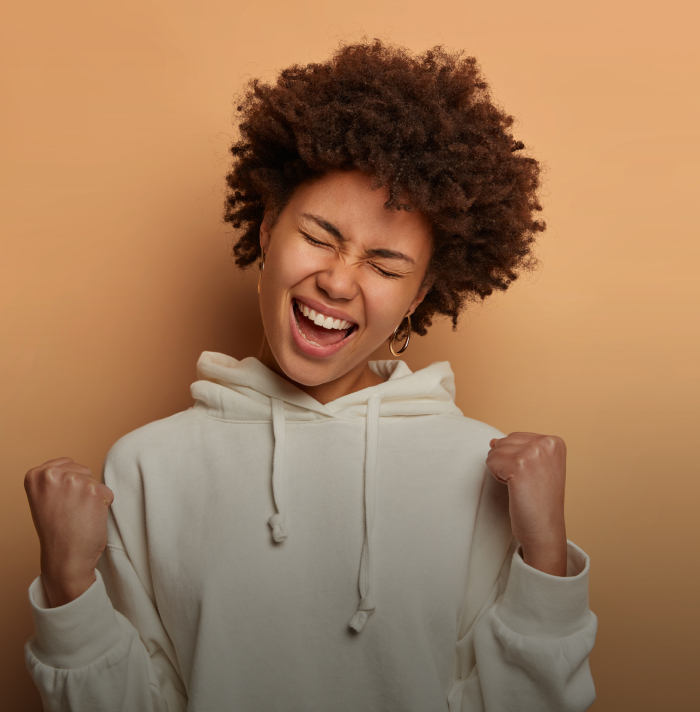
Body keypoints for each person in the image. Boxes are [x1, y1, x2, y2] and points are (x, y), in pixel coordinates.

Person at [23, 39, 597, 711]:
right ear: (268, 228)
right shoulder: (145, 468)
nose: (337, 279)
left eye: (384, 265)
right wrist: (69, 588)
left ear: (418, 296)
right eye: (320, 237)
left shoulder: (484, 469)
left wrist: (546, 563)